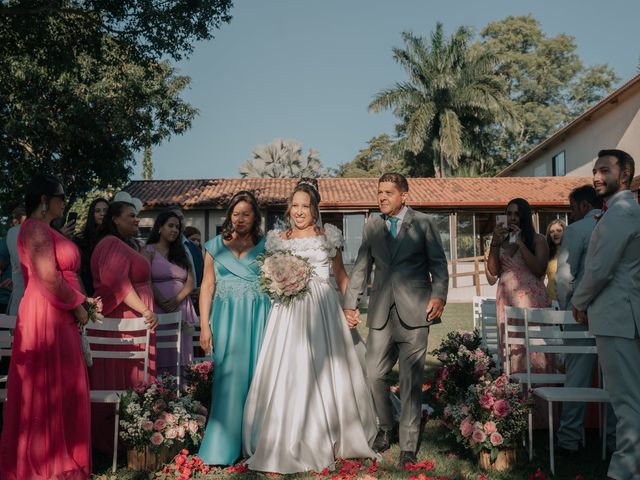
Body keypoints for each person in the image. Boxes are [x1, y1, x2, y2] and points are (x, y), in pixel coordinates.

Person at [243, 180, 378, 473]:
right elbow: (268, 276)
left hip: (323, 310)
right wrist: (278, 283)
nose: (300, 211)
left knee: (326, 368)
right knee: (290, 369)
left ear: (314, 210)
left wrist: (350, 306)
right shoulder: (278, 239)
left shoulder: (327, 236)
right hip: (288, 311)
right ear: (289, 208)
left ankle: (331, 434)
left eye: (306, 206)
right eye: (296, 205)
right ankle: (285, 433)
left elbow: (341, 276)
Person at [343, 173, 449, 468]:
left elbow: (439, 264)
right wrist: (350, 303)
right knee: (373, 373)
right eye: (379, 192)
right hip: (379, 313)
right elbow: (362, 267)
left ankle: (409, 444)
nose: (382, 197)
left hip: (416, 312)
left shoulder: (425, 223)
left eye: (388, 192)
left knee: (410, 380)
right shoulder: (373, 225)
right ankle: (387, 426)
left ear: (404, 194)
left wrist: (439, 296)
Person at [0, 174, 91, 480]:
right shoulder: (35, 228)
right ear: (44, 199)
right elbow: (48, 276)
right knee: (47, 385)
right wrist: (80, 306)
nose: (64, 202)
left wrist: (78, 304)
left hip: (58, 309)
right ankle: (45, 461)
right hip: (46, 313)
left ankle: (63, 453)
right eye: (61, 196)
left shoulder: (45, 229)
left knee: (64, 384)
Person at [571, 149, 640, 480]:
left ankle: (623, 472)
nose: (597, 177)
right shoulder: (620, 212)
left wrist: (579, 302)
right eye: (595, 171)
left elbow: (600, 270)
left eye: (604, 170)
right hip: (622, 316)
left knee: (627, 402)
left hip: (618, 318)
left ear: (624, 174)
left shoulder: (621, 213)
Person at [198, 191, 270, 466]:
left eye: (246, 214)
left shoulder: (267, 246)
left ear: (255, 218)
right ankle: (222, 446)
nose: (240, 219)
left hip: (258, 316)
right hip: (226, 318)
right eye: (235, 214)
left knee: (257, 377)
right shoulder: (214, 246)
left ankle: (256, 443)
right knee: (228, 379)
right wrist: (204, 325)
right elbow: (207, 286)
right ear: (229, 216)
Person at [89, 200, 158, 452]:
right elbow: (118, 283)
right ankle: (117, 441)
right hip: (125, 317)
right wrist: (144, 310)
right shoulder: (110, 243)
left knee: (133, 376)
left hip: (134, 315)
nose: (136, 220)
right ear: (115, 219)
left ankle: (135, 437)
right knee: (124, 375)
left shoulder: (123, 244)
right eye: (131, 215)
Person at [554, 185, 615, 456]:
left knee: (576, 377)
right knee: (616, 379)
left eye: (572, 208)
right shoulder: (616, 224)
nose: (571, 214)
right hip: (615, 312)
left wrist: (569, 308)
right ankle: (614, 440)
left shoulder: (576, 230)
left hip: (581, 312)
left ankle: (569, 438)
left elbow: (564, 277)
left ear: (582, 206)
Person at [487, 198, 552, 371]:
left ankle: (540, 393)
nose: (513, 218)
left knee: (535, 348)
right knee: (512, 348)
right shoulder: (501, 241)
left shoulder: (538, 240)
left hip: (532, 300)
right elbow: (493, 271)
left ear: (525, 216)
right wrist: (494, 242)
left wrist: (521, 244)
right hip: (506, 299)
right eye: (509, 214)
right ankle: (516, 394)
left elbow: (539, 269)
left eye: (517, 214)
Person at [143, 211, 198, 373]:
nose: (174, 230)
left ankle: (183, 393)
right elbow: (145, 278)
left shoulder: (181, 252)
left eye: (177, 227)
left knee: (181, 353)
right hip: (156, 307)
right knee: (160, 350)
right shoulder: (148, 250)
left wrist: (176, 300)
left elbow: (190, 281)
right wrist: (161, 301)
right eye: (170, 226)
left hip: (180, 307)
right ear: (160, 228)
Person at [74, 197, 109, 296]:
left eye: (105, 211)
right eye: (97, 211)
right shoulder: (81, 238)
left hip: (110, 288)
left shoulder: (115, 237)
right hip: (88, 287)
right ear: (92, 214)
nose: (102, 214)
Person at [6, 207, 26, 315]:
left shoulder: (13, 232)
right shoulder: (15, 231)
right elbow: (22, 264)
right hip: (23, 295)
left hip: (20, 293)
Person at [544, 219, 565, 304]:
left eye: (559, 230)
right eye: (552, 231)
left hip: (569, 300)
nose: (555, 234)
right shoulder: (547, 253)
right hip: (551, 300)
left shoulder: (573, 252)